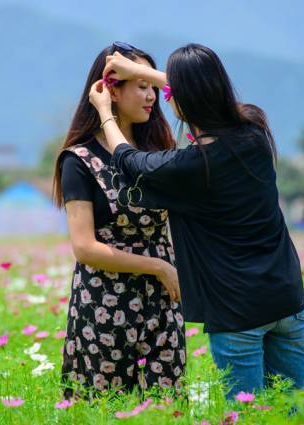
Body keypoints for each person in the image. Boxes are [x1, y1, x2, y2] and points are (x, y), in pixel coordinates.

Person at [88, 43, 304, 399]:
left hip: (238, 311)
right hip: (288, 299)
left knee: (248, 416)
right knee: (292, 411)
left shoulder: (190, 167)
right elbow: (205, 95)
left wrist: (104, 112)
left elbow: (127, 159)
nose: (162, 94)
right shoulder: (254, 129)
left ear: (180, 100)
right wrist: (140, 71)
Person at [53, 42, 187, 400]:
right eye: (141, 85)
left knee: (166, 411)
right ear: (111, 89)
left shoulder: (157, 152)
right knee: (104, 411)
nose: (152, 96)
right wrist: (158, 266)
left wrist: (166, 272)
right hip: (104, 305)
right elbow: (85, 248)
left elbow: (201, 97)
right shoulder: (79, 160)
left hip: (162, 303)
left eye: (154, 85)